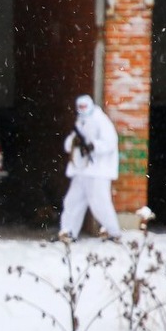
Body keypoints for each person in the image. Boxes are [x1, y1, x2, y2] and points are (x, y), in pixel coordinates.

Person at [58, 93, 122, 242]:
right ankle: (68, 232)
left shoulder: (101, 121)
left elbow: (110, 142)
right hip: (82, 170)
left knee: (100, 203)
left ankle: (113, 232)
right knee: (72, 202)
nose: (82, 109)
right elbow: (71, 143)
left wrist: (93, 146)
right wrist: (74, 144)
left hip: (98, 170)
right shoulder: (81, 121)